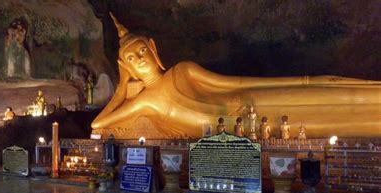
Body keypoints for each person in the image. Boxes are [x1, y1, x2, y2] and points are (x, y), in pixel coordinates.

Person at [91, 13, 381, 139]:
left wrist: (301, 81)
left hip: (249, 100)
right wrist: (121, 83)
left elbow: (236, 83)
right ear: (125, 66)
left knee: (323, 92)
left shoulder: (183, 70)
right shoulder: (147, 102)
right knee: (336, 121)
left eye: (141, 51)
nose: (139, 60)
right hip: (238, 128)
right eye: (131, 60)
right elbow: (99, 123)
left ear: (152, 48)